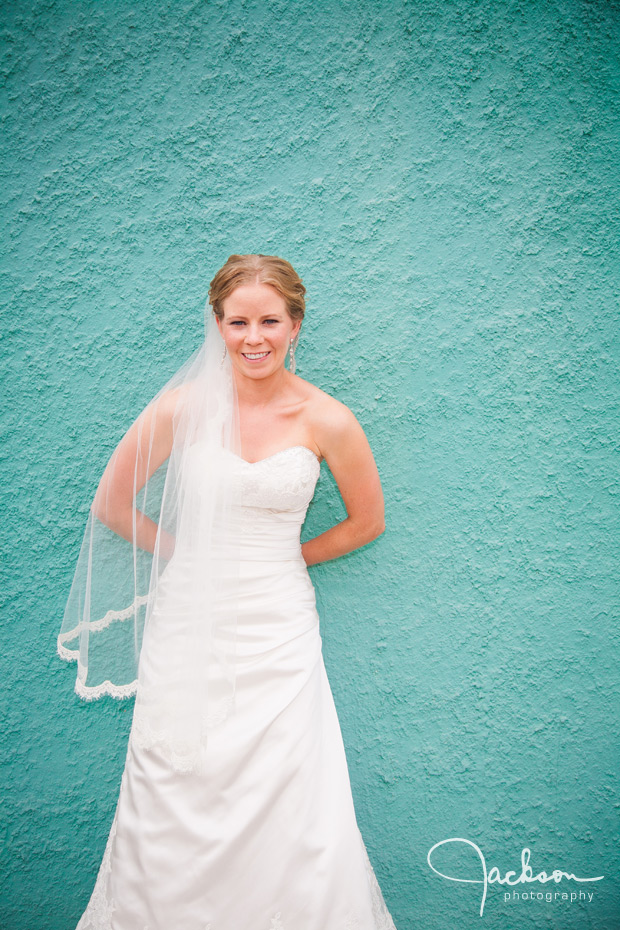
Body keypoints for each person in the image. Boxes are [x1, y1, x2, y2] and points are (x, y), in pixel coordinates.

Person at [58, 254, 397, 930]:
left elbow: (368, 521)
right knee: (178, 782)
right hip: (188, 619)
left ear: (295, 325)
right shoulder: (183, 408)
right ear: (217, 326)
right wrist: (186, 552)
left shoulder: (327, 419)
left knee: (286, 786)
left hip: (279, 625)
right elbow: (112, 503)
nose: (253, 337)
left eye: (269, 320)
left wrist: (290, 555)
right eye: (237, 321)